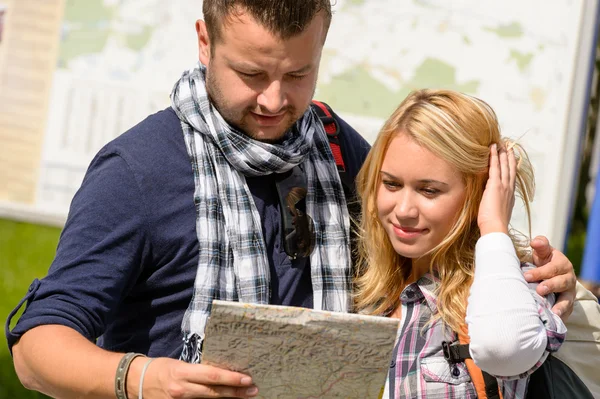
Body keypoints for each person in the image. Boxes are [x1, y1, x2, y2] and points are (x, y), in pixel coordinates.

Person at [5, 1, 577, 398]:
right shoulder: (136, 171)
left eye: (299, 74)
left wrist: (535, 272)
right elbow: (35, 351)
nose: (275, 101)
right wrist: (145, 379)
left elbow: (431, 248)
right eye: (251, 73)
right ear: (205, 42)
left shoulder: (335, 147)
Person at [353, 89, 571, 398]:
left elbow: (503, 347)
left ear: (481, 192)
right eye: (391, 184)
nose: (403, 210)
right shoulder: (370, 295)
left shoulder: (515, 286)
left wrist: (493, 226)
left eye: (429, 190)